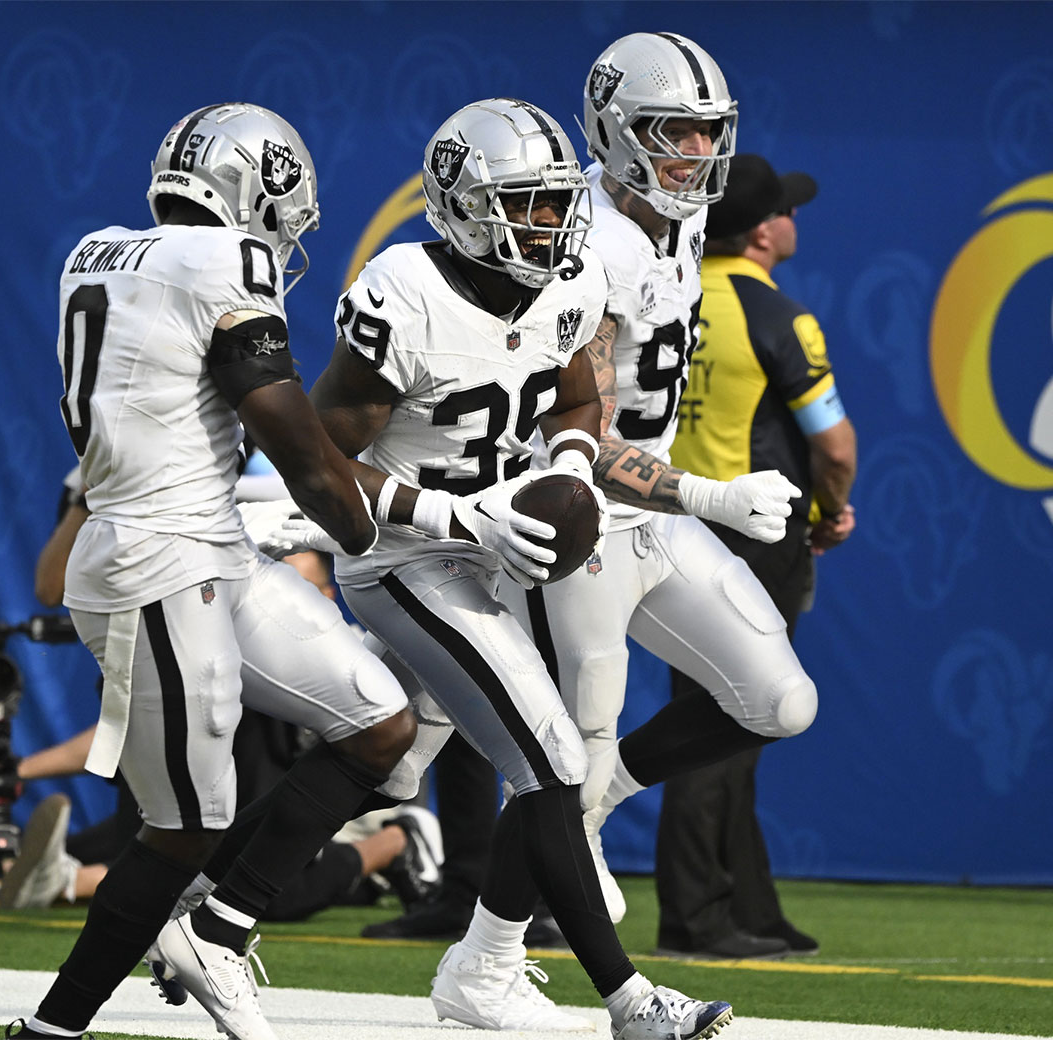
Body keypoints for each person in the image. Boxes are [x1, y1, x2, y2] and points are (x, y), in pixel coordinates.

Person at [293, 96, 735, 1039]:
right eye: (524, 204)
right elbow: (322, 469)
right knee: (552, 760)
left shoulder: (569, 278)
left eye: (551, 201)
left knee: (394, 759)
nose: (548, 222)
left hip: (495, 548)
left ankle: (213, 909)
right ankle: (626, 1001)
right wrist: (457, 511)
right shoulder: (403, 290)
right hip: (408, 552)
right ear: (458, 203)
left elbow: (578, 399)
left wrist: (570, 468)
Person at [7, 103, 416, 1040]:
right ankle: (54, 1029)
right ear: (247, 191)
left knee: (377, 721)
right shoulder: (225, 262)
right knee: (186, 826)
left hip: (204, 547)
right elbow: (297, 445)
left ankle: (220, 931)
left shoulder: (98, 250)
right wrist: (382, 532)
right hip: (158, 559)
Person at [434, 31, 823, 994]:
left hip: (650, 511)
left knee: (779, 702)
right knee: (559, 757)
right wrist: (711, 493)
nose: (697, 155)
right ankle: (486, 960)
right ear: (613, 132)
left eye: (706, 134)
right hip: (573, 514)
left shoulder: (679, 224)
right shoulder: (586, 241)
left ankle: (595, 804)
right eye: (673, 134)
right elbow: (589, 437)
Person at [655, 153, 856, 958]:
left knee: (728, 719)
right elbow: (835, 448)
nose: (795, 221)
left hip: (672, 526)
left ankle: (747, 905)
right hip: (760, 535)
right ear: (764, 232)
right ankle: (697, 918)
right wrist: (831, 511)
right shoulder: (779, 316)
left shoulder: (666, 298)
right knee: (731, 722)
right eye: (787, 211)